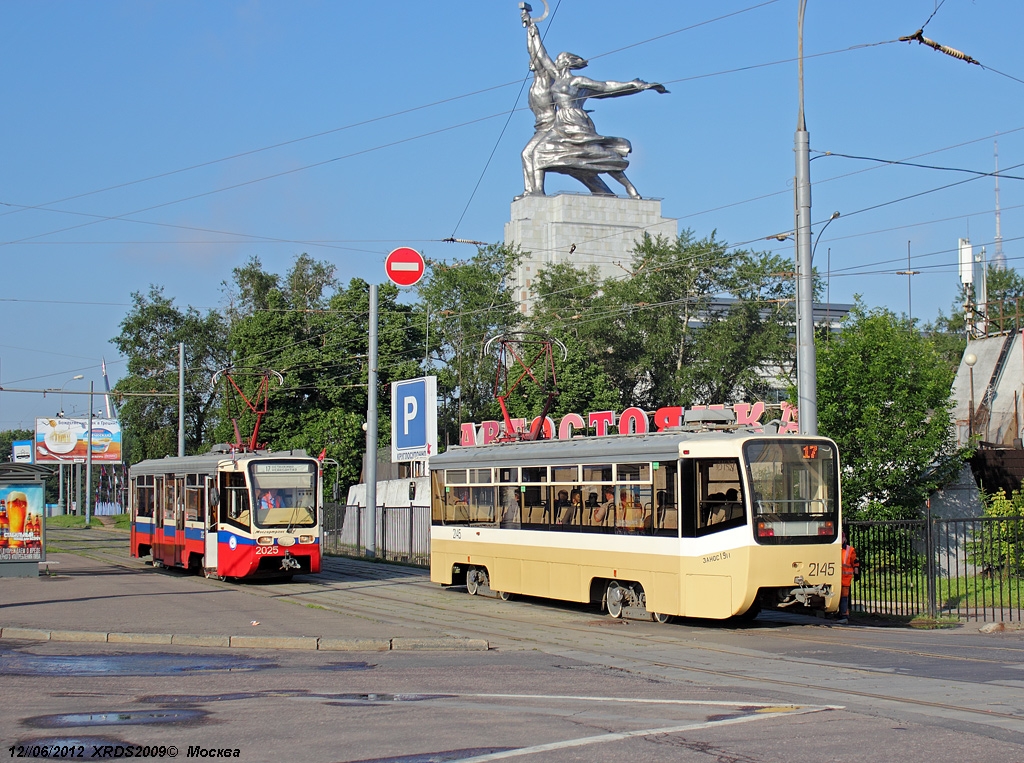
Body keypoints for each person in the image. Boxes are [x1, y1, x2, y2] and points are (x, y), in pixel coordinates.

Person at [839, 531, 860, 624]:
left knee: (843, 597)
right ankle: (840, 613)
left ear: (845, 539)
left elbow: (855, 562)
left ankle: (844, 614)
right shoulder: (834, 548)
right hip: (836, 578)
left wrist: (856, 572)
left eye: (842, 538)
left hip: (845, 579)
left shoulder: (849, 550)